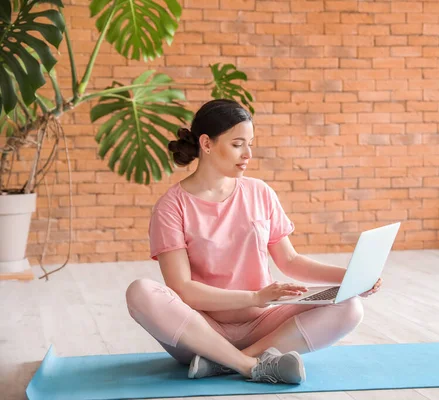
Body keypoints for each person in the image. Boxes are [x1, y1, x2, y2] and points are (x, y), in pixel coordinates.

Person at [125, 99, 382, 384]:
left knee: (350, 305)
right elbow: (183, 290)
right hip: (200, 331)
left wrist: (353, 278)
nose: (247, 154)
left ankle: (229, 362)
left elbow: (290, 261)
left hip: (263, 324)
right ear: (207, 144)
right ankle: (249, 366)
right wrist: (256, 297)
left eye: (250, 143)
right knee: (140, 292)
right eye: (237, 144)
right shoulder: (171, 207)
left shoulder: (260, 192)